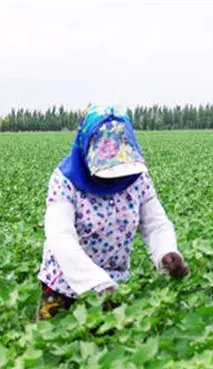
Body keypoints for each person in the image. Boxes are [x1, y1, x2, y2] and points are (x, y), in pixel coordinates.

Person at [36, 105, 189, 320]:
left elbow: (156, 224)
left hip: (115, 284)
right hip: (63, 284)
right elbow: (60, 238)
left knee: (107, 347)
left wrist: (167, 252)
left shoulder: (136, 179)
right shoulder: (65, 181)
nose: (115, 178)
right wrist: (95, 282)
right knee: (51, 343)